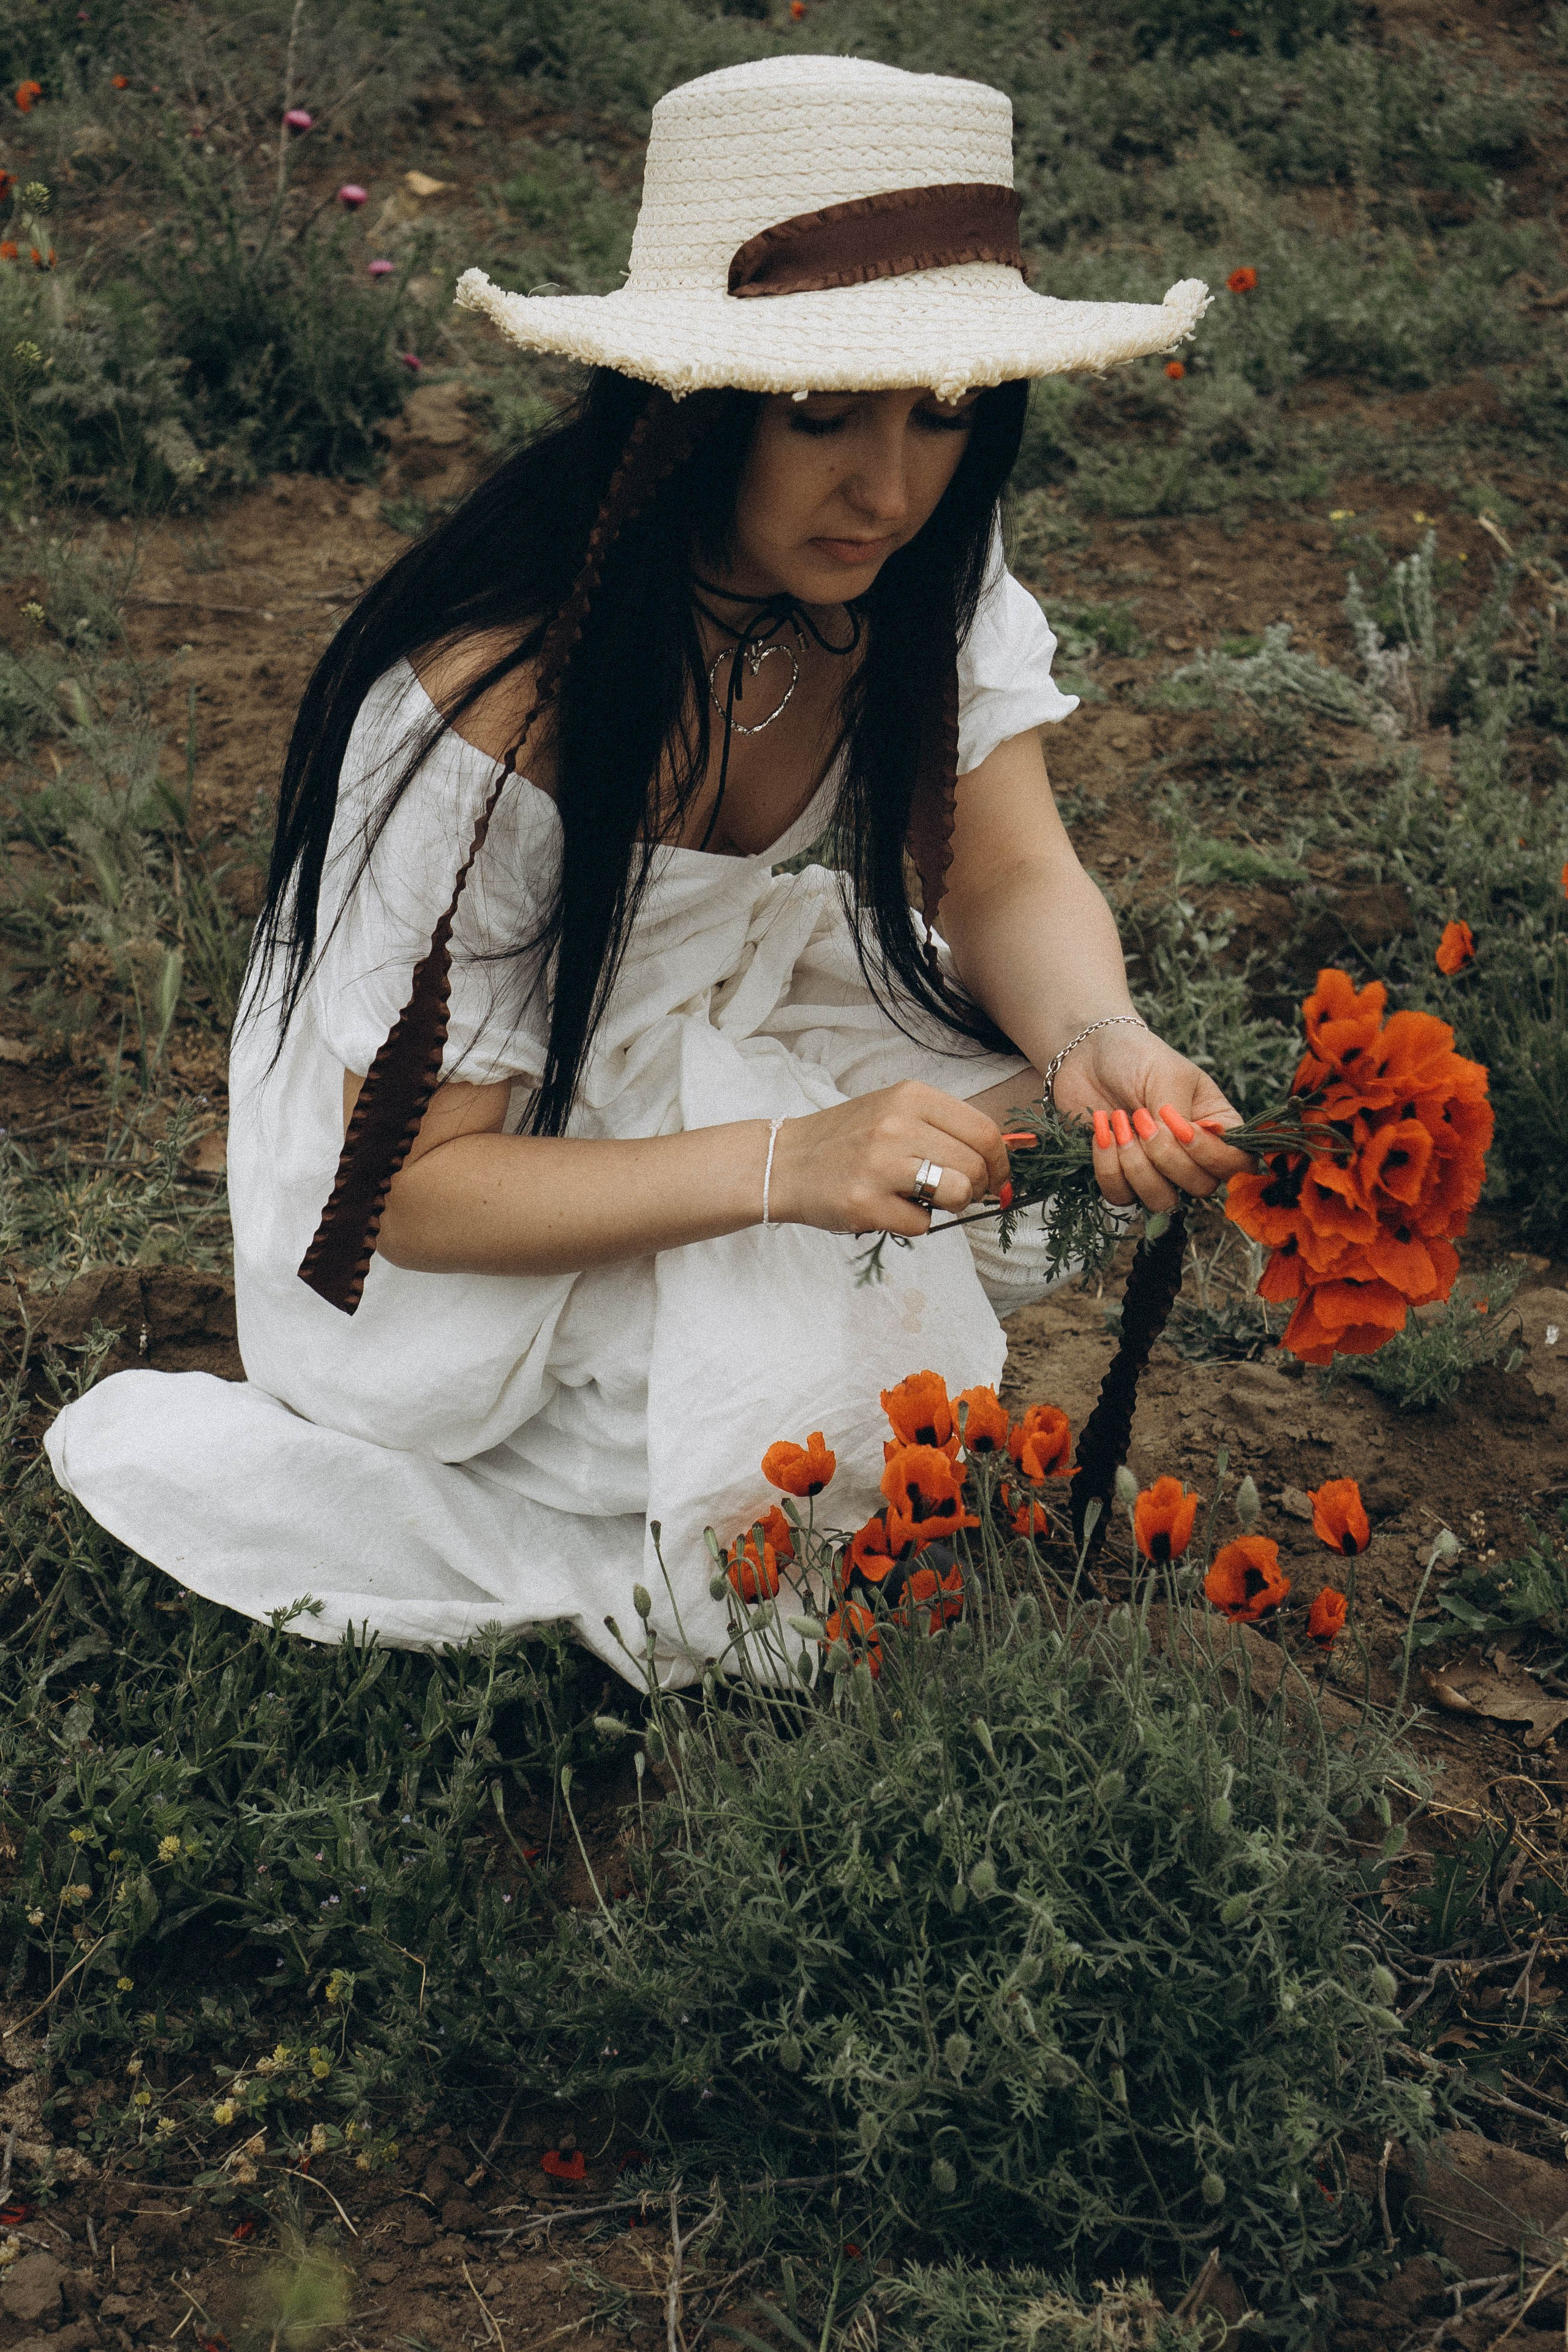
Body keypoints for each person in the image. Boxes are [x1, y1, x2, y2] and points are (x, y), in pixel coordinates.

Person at [46, 53, 1247, 1684]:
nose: (888, 488)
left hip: (691, 1011)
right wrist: (787, 1167)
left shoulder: (913, 570)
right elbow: (403, 1189)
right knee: (743, 1394)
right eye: (821, 413)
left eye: (943, 412)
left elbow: (1006, 869)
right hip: (447, 1175)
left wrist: (1094, 1031)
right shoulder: (501, 708)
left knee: (1022, 1125)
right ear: (689, 407)